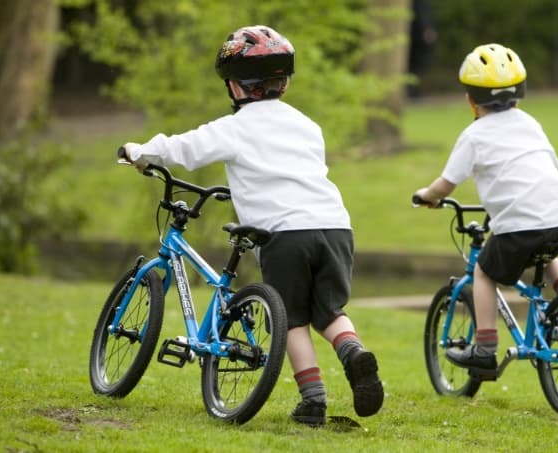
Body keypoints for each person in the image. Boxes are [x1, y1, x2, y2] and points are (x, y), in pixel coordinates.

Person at [121, 25, 383, 425]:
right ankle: (354, 352)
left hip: (284, 233)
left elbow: (183, 149)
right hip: (335, 227)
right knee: (329, 311)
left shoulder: (234, 127)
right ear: (284, 82)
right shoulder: (308, 126)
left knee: (291, 318)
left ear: (237, 87)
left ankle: (313, 399)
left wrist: (140, 152)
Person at [413, 43, 558, 378]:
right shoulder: (530, 123)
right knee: (543, 248)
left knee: (483, 273)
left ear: (470, 100)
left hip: (520, 225)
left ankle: (484, 349)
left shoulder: (474, 135)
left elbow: (446, 184)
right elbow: (551, 163)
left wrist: (427, 196)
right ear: (518, 98)